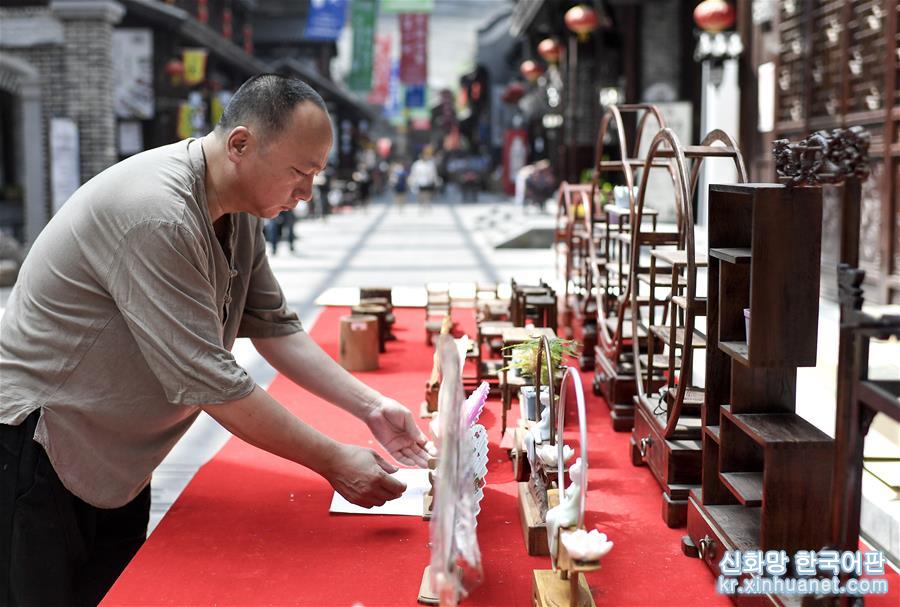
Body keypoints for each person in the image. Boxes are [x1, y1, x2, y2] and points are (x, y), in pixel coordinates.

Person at [0, 74, 433, 607]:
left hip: (119, 459)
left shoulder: (238, 209)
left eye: (315, 175)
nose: (307, 194)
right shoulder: (156, 213)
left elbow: (273, 324)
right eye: (299, 173)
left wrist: (370, 406)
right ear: (240, 145)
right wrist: (334, 461)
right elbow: (207, 380)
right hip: (42, 444)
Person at [409, 146, 438, 212]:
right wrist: (412, 181)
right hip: (419, 182)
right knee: (421, 194)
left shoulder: (431, 164)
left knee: (428, 194)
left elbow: (434, 173)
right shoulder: (416, 164)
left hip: (428, 181)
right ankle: (421, 205)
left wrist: (435, 180)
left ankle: (427, 204)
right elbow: (414, 173)